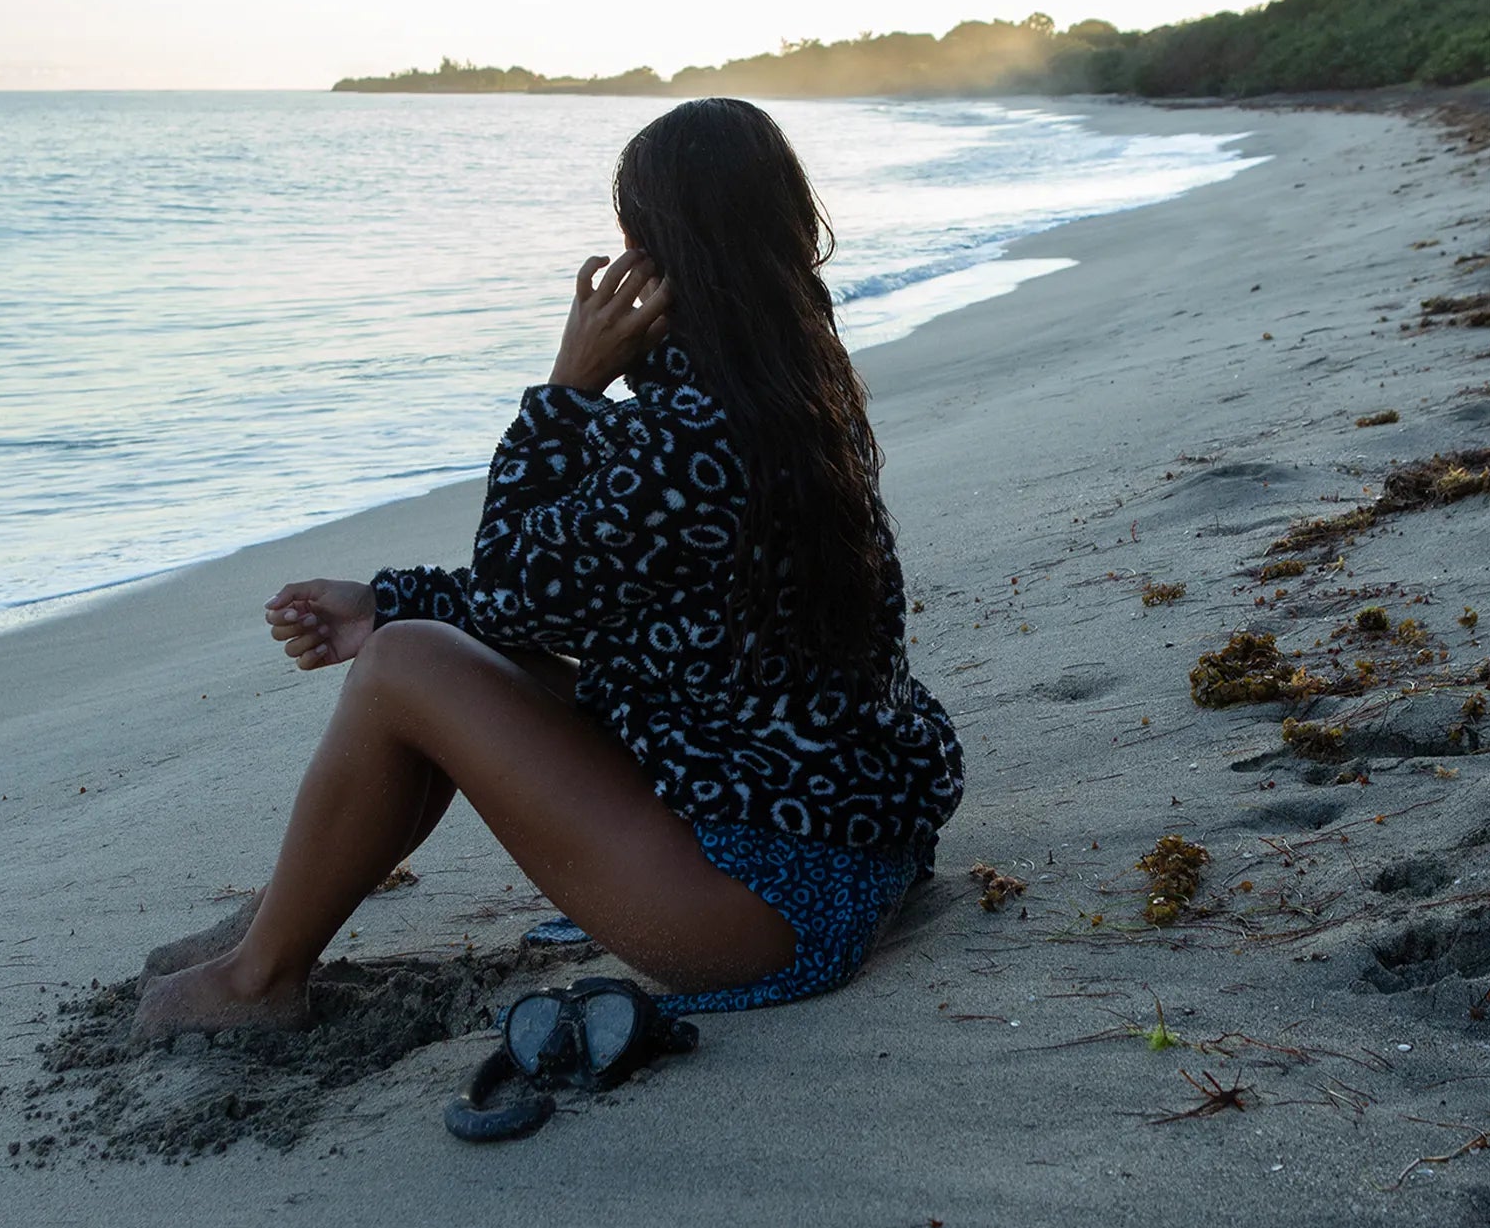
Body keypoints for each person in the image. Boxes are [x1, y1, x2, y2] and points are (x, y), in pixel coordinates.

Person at [133, 98, 964, 1039]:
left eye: (632, 244)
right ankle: (295, 909)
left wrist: (566, 388)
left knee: (408, 665)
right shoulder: (795, 386)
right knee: (428, 646)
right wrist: (387, 600)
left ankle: (259, 978)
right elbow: (566, 586)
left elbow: (516, 580)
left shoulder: (688, 437)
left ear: (658, 256)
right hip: (854, 845)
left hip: (770, 910)